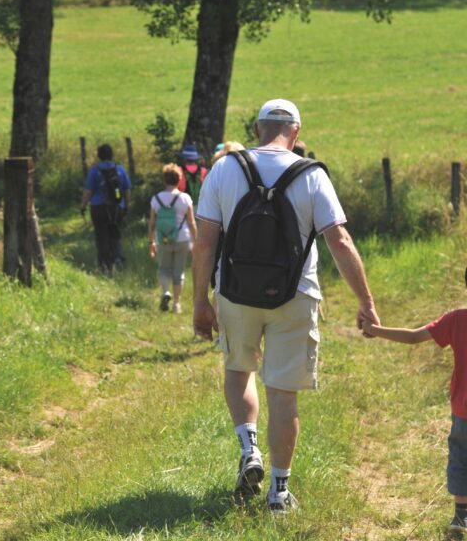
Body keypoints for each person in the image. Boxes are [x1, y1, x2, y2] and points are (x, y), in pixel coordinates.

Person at [192, 97, 379, 512]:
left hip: (235, 293)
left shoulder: (225, 168)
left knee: (239, 369)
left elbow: (204, 241)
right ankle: (279, 493)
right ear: (296, 132)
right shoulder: (312, 175)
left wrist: (200, 302)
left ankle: (249, 448)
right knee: (283, 394)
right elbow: (340, 241)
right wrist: (365, 301)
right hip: (295, 295)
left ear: (257, 129)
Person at [362, 285, 467, 535]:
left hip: (463, 411)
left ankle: (461, 517)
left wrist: (373, 329)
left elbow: (412, 337)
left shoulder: (457, 319)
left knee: (461, 459)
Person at [148, 163, 197, 314]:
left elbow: (152, 224)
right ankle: (176, 304)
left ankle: (165, 292)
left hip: (163, 239)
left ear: (164, 179)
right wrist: (195, 242)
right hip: (182, 238)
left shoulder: (156, 199)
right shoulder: (185, 198)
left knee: (163, 269)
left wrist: (151, 242)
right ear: (179, 179)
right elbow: (191, 222)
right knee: (178, 272)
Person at [80, 144, 132, 274]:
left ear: (99, 156)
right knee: (115, 233)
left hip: (98, 208)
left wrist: (83, 206)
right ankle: (117, 259)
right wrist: (126, 206)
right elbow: (127, 190)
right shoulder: (120, 170)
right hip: (117, 207)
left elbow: (88, 192)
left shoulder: (94, 171)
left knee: (101, 235)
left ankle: (105, 266)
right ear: (111, 155)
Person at [178, 143, 208, 208]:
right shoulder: (203, 171)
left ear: (184, 158)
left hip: (184, 205)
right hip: (200, 206)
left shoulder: (179, 170)